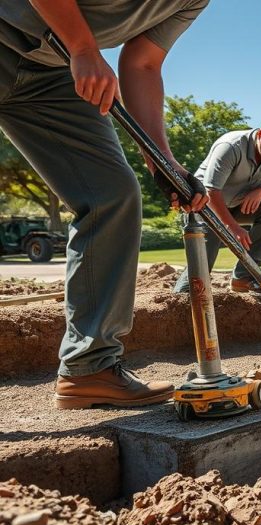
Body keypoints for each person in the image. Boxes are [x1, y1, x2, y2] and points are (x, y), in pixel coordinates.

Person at [0, 1, 210, 408]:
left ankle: (89, 365)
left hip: (50, 72)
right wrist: (82, 47)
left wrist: (161, 161)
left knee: (111, 195)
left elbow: (143, 64)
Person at [172, 115, 261, 294]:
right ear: (260, 135)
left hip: (237, 204)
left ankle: (243, 277)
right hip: (203, 206)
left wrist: (260, 192)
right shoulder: (230, 147)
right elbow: (211, 191)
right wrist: (233, 228)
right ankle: (179, 301)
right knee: (203, 263)